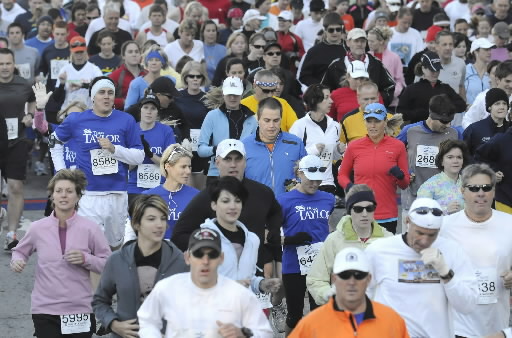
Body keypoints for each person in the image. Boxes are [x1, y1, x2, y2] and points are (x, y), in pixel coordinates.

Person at [11, 169, 111, 338]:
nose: (63, 195)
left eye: (69, 191)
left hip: (79, 309)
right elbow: (20, 251)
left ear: (78, 197)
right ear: (52, 196)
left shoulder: (90, 228)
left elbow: (108, 263)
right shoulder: (38, 228)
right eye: (59, 191)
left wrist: (86, 259)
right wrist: (17, 260)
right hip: (45, 309)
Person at [50, 76, 144, 248]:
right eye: (102, 92)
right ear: (93, 97)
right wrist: (61, 172)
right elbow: (54, 141)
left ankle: (108, 274)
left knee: (114, 246)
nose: (106, 97)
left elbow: (138, 156)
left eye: (110, 93)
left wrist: (115, 149)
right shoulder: (77, 120)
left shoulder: (126, 120)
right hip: (88, 195)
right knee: (89, 246)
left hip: (117, 193)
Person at [365, 197, 477, 337]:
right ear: (407, 222)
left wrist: (446, 273)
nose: (425, 241)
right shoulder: (379, 250)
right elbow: (363, 295)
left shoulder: (452, 250)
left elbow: (467, 306)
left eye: (432, 235)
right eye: (419, 233)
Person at [137, 227, 274, 337]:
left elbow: (264, 332)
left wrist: (242, 333)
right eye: (199, 254)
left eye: (212, 255)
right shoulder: (167, 288)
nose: (205, 261)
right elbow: (147, 321)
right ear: (187, 257)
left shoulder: (238, 294)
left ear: (221, 258)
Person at [92, 194, 188, 338]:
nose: (159, 225)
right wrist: (113, 324)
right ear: (136, 224)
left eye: (163, 218)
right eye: (151, 219)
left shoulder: (180, 261)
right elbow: (99, 301)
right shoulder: (117, 260)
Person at [441, 163, 512, 336]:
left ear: (493, 192)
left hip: (495, 324)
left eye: (486, 188)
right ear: (462, 191)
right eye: (474, 188)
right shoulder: (445, 226)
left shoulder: (509, 223)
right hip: (456, 325)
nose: (480, 193)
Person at [291, 247, 409, 337]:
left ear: (368, 279)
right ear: (334, 279)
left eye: (359, 275)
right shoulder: (310, 325)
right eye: (345, 275)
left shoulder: (392, 320)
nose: (351, 282)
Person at [306, 185, 392, 305]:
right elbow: (315, 279)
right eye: (358, 209)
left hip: (379, 311)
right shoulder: (334, 240)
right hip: (344, 312)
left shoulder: (388, 240)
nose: (364, 213)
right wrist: (329, 295)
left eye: (369, 208)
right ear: (349, 210)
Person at [278, 154, 335, 334]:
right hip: (293, 265)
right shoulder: (283, 200)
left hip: (319, 264)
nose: (314, 184)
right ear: (299, 174)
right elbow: (268, 235)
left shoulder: (328, 199)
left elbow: (327, 224)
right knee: (294, 315)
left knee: (318, 313)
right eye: (310, 180)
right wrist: (289, 240)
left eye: (318, 180)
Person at [200, 176, 281, 295]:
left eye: (237, 201)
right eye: (225, 201)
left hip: (243, 310)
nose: (232, 206)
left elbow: (249, 278)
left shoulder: (252, 239)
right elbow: (196, 283)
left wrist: (261, 284)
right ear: (214, 204)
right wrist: (230, 286)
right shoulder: (202, 239)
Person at [338, 103, 409, 233]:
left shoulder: (398, 146)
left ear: (385, 122)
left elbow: (405, 184)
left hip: (387, 215)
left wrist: (400, 176)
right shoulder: (354, 146)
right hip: (360, 212)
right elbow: (342, 175)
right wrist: (350, 187)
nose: (372, 125)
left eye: (377, 121)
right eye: (369, 121)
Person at [397, 94, 461, 215]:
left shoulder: (455, 133)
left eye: (450, 121)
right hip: (413, 199)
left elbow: (465, 160)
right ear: (432, 116)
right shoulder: (410, 131)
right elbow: (393, 154)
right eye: (444, 121)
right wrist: (405, 171)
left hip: (444, 200)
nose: (447, 125)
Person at [0, 48, 36, 250]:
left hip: (16, 141)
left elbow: (32, 101)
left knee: (15, 187)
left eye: (7, 63)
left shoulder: (23, 84)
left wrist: (30, 116)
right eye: (1, 64)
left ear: (13, 64)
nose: (4, 67)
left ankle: (12, 233)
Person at [289, 83, 345, 194]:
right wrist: (313, 150)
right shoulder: (299, 125)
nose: (331, 101)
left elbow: (332, 156)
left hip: (328, 183)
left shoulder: (335, 126)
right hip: (306, 184)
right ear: (315, 100)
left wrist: (338, 151)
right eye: (326, 97)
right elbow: (291, 155)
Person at [198, 76, 257, 181]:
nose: (232, 97)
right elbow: (201, 150)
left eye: (236, 94)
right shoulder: (212, 116)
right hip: (216, 173)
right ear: (223, 94)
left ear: (242, 93)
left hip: (243, 174)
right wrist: (217, 149)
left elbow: (256, 149)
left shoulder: (252, 119)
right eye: (229, 94)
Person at [243, 97, 305, 195]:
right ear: (258, 119)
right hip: (257, 206)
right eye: (267, 120)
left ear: (281, 119)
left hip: (287, 206)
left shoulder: (296, 143)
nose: (272, 125)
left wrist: (298, 185)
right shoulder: (244, 146)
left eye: (276, 120)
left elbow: (307, 175)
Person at [322, 28, 396, 107]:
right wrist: (337, 103)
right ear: (348, 42)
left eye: (363, 41)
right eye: (356, 41)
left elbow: (389, 86)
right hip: (343, 112)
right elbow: (325, 89)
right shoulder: (336, 65)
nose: (360, 44)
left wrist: (376, 101)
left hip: (371, 112)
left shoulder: (376, 63)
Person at [126, 93, 175, 204]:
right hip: (134, 187)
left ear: (157, 112)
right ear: (140, 110)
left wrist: (150, 154)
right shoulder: (130, 131)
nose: (149, 111)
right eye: (146, 107)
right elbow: (125, 168)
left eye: (153, 108)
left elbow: (170, 165)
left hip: (159, 187)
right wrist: (139, 154)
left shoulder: (166, 131)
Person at [397, 51, 466, 124]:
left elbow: (462, 105)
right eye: (432, 70)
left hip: (442, 130)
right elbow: (400, 113)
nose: (435, 73)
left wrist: (444, 110)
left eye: (437, 70)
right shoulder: (411, 89)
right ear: (423, 68)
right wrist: (420, 113)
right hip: (419, 131)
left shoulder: (445, 88)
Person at [174, 60, 209, 189]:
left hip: (201, 149)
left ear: (202, 78)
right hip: (182, 147)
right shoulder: (177, 97)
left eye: (198, 76)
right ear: (185, 78)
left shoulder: (208, 99)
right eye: (191, 76)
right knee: (183, 187)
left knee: (199, 191)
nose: (195, 79)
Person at [417, 139, 469, 214]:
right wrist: (444, 210)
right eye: (450, 157)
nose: (455, 161)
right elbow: (420, 213)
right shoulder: (430, 185)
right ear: (441, 161)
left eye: (459, 157)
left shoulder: (469, 183)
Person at [298, 12, 345, 89]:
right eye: (331, 30)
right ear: (325, 30)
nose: (335, 32)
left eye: (338, 29)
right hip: (322, 95)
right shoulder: (314, 51)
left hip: (344, 93)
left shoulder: (348, 48)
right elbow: (304, 76)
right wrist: (320, 87)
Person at [53, 35, 102, 108]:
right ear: (71, 51)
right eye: (76, 52)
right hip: (69, 112)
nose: (79, 55)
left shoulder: (94, 69)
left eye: (81, 52)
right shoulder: (64, 69)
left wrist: (83, 85)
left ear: (86, 50)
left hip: (88, 111)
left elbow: (102, 89)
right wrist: (62, 84)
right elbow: (56, 99)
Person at [463, 60, 512, 129]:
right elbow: (467, 120)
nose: (511, 85)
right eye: (507, 81)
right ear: (497, 80)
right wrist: (480, 135)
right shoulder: (483, 97)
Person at [464, 88, 511, 157]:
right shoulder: (474, 129)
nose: (502, 107)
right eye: (497, 104)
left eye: (504, 103)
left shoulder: (510, 129)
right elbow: (464, 156)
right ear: (489, 107)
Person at [367, 26, 405, 108]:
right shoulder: (367, 56)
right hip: (369, 101)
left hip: (390, 103)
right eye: (368, 40)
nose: (369, 43)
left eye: (372, 41)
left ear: (381, 41)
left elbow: (399, 80)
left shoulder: (394, 57)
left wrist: (391, 94)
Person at [124, 45, 170, 109]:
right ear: (146, 63)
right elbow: (128, 109)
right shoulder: (136, 83)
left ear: (162, 63)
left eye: (157, 60)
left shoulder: (169, 82)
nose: (153, 63)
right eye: (150, 60)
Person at [109, 40, 146, 110]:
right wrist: (123, 101)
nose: (134, 54)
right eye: (130, 52)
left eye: (136, 52)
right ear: (123, 56)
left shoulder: (147, 74)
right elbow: (106, 98)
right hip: (122, 115)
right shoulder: (115, 75)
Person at [465, 37, 494, 105]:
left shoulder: (493, 71)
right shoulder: (465, 70)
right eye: (486, 49)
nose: (489, 52)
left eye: (490, 49)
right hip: (469, 114)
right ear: (476, 52)